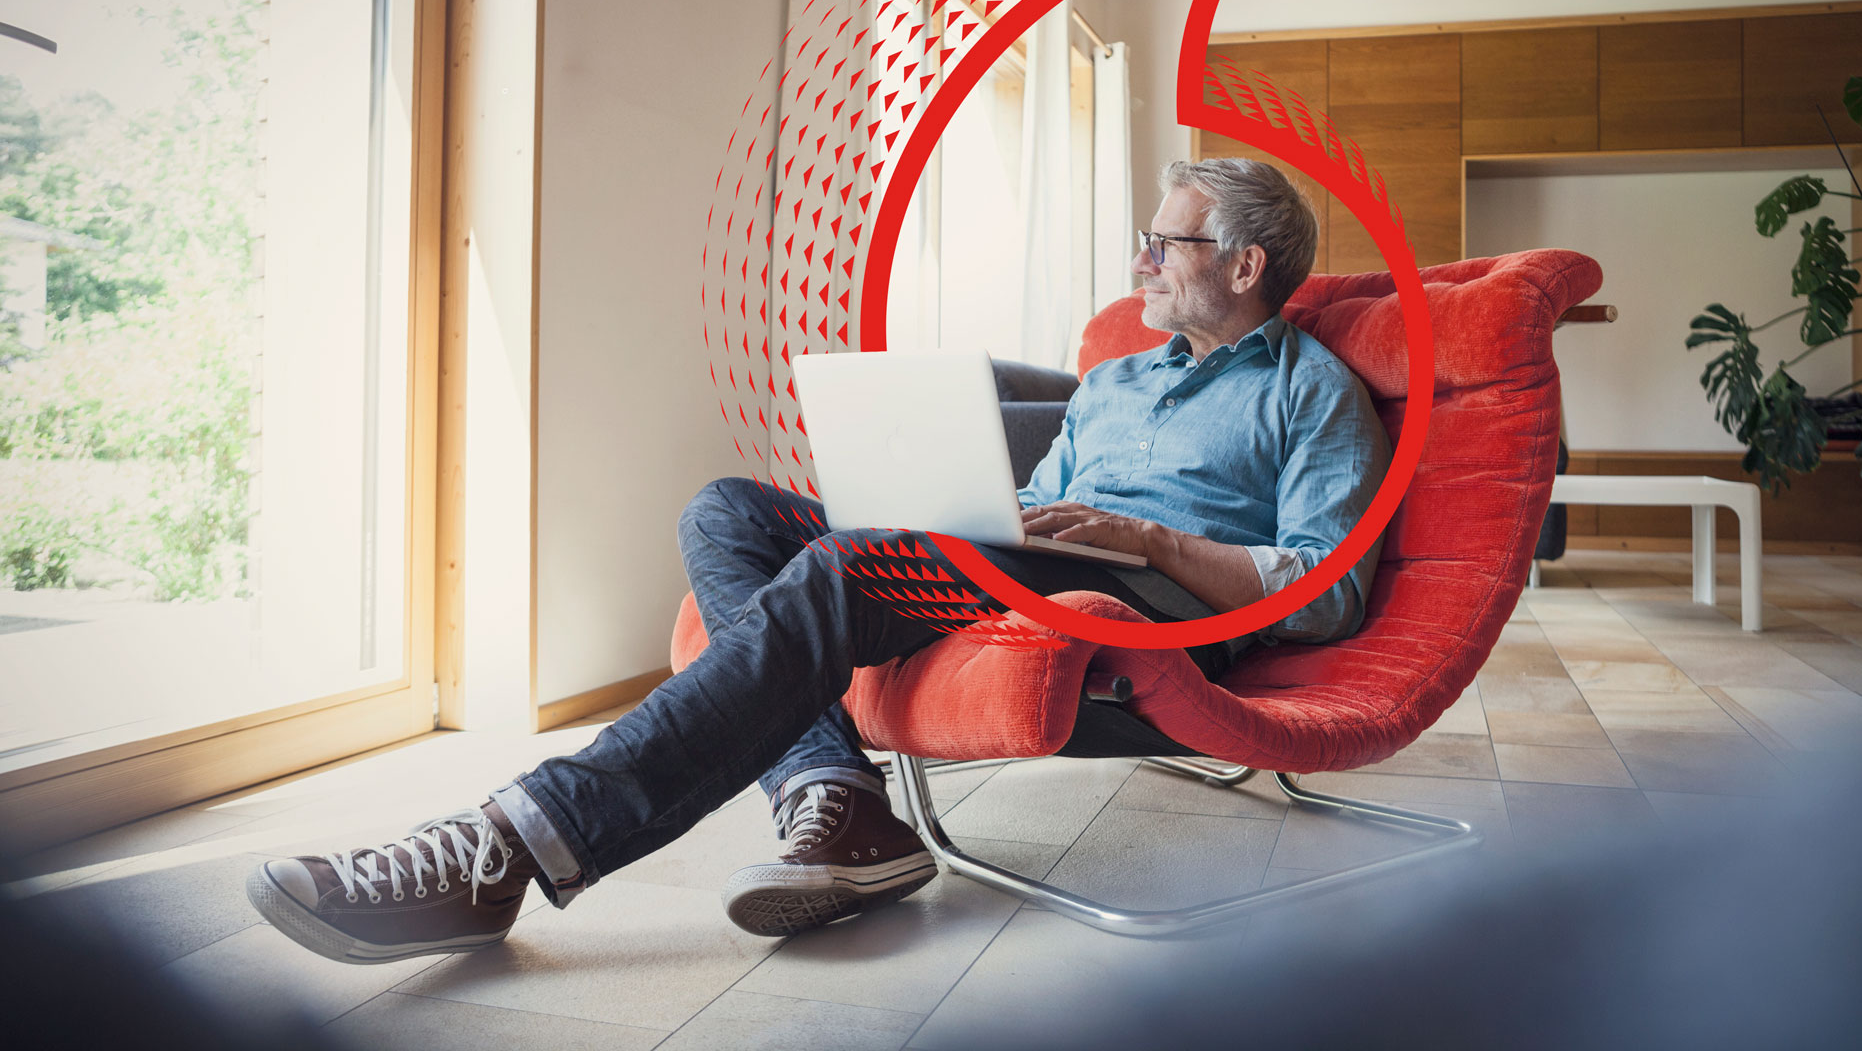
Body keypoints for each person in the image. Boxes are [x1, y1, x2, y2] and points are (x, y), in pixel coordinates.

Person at [245, 158, 1390, 964]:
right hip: (1040, 559)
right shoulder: (1117, 377)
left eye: (1167, 238)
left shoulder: (1311, 391)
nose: (1139, 255)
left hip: (1153, 596)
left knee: (843, 571)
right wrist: (994, 513)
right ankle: (836, 790)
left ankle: (508, 847)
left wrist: (1148, 539)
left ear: (1245, 264)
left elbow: (1324, 591)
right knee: (730, 508)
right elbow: (1044, 501)